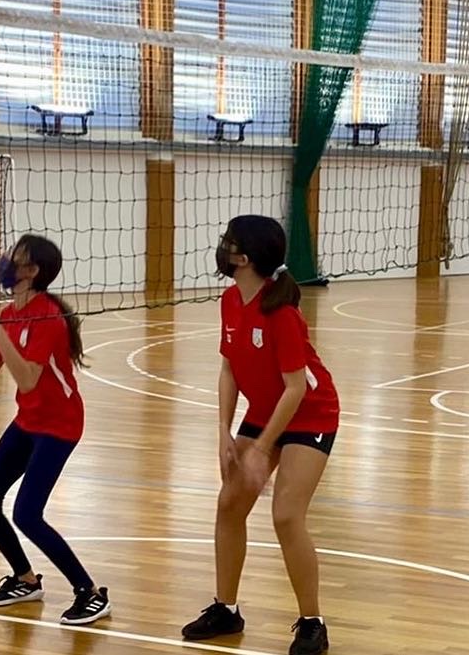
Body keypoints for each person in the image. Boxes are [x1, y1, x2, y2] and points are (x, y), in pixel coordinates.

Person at [182, 215, 340, 655]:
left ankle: (312, 622)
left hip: (310, 414)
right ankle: (226, 610)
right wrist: (224, 431)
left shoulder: (281, 313)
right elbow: (229, 367)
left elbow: (295, 389)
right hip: (265, 411)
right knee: (229, 504)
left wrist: (263, 449)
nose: (222, 247)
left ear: (245, 258)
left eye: (229, 242)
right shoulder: (230, 300)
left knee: (286, 515)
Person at [0, 234, 110, 627]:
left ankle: (89, 593)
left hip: (60, 425)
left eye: (15, 258)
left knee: (27, 513)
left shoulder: (48, 318)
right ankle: (25, 579)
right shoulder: (9, 315)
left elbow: (25, 378)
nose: (5, 261)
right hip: (28, 421)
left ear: (32, 271)